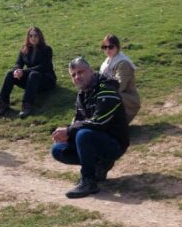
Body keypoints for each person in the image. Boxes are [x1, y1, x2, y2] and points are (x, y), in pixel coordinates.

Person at [51, 57, 129, 198]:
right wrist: (67, 135)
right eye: (73, 75)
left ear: (91, 71)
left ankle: (88, 181)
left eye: (81, 72)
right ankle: (99, 165)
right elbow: (78, 121)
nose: (77, 77)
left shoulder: (107, 90)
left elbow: (99, 122)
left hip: (114, 144)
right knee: (58, 149)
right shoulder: (82, 95)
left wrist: (69, 131)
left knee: (83, 135)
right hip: (94, 139)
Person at [0, 26, 57, 118]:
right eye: (31, 36)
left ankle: (27, 105)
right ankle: (3, 103)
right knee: (10, 73)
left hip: (46, 80)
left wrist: (23, 71)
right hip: (31, 80)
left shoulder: (47, 49)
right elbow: (18, 63)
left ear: (40, 37)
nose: (33, 38)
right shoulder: (24, 49)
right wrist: (17, 70)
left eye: (35, 36)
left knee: (34, 74)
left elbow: (43, 67)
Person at [98, 34, 141, 123]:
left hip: (127, 100)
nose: (107, 50)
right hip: (114, 96)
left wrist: (102, 88)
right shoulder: (106, 63)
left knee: (106, 96)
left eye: (110, 47)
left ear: (117, 47)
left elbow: (120, 86)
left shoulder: (123, 63)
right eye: (104, 47)